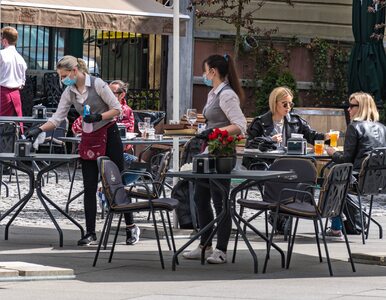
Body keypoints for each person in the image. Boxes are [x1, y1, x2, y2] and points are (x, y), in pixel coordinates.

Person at [25, 55, 140, 246]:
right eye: (61, 77)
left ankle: (130, 227)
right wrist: (39, 129)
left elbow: (117, 109)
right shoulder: (70, 91)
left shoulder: (98, 84)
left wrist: (98, 117)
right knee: (89, 186)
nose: (63, 80)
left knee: (116, 183)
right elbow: (58, 117)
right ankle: (90, 232)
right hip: (89, 138)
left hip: (109, 134)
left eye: (64, 75)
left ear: (74, 71)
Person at [182, 54, 247, 264]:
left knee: (220, 201)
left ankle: (221, 249)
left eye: (205, 70)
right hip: (207, 153)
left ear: (213, 72)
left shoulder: (227, 95)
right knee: (200, 198)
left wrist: (213, 134)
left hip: (221, 154)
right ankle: (205, 244)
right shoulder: (213, 93)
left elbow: (239, 125)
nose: (204, 74)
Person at [325, 92, 386, 239]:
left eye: (352, 106)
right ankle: (348, 219)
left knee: (331, 174)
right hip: (378, 181)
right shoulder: (382, 128)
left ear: (362, 107)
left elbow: (346, 160)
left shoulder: (355, 127)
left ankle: (336, 227)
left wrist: (332, 152)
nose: (348, 109)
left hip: (357, 179)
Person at [243, 86, 327, 169]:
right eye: (285, 104)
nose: (288, 107)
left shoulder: (296, 122)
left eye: (290, 104)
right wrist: (270, 140)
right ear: (274, 103)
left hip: (289, 164)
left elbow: (312, 136)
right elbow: (249, 146)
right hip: (266, 165)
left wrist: (326, 137)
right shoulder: (259, 122)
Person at [0, 27, 27, 119]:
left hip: (2, 93)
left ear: (4, 41)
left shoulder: (1, 54)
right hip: (16, 95)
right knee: (15, 127)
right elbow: (23, 82)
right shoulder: (21, 59)